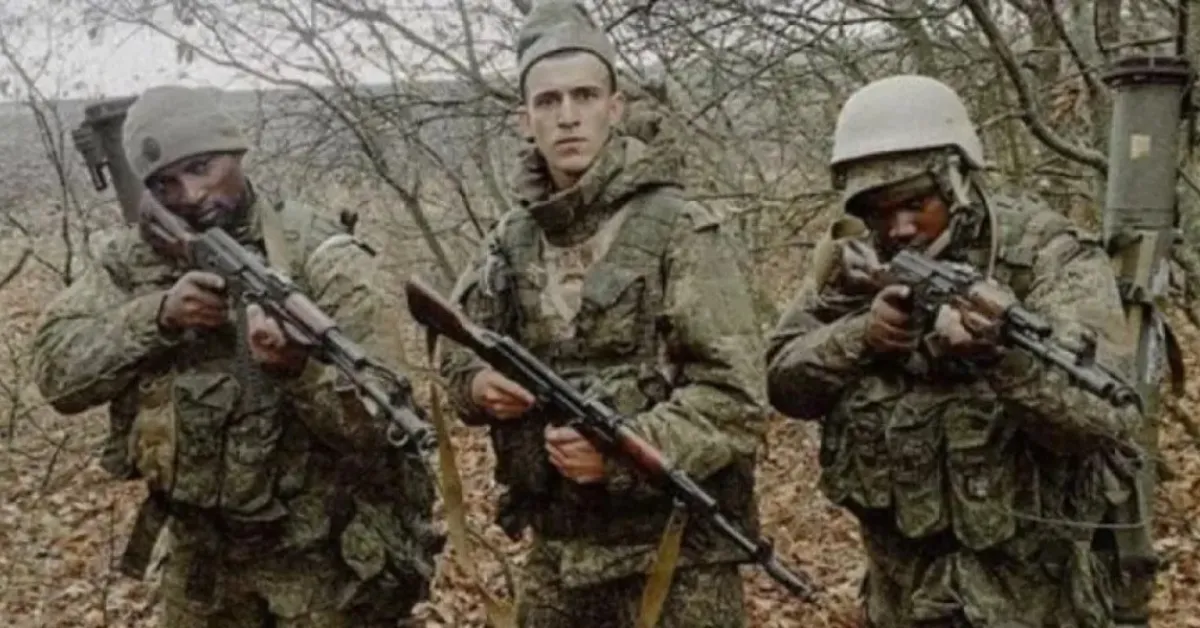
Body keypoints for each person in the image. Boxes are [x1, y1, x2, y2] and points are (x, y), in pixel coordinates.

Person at [30, 84, 443, 627]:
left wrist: (297, 369)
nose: (190, 194)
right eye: (165, 183)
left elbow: (386, 422)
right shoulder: (137, 259)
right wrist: (158, 317)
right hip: (200, 565)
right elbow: (56, 372)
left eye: (201, 167)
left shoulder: (320, 253)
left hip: (322, 566)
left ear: (236, 151)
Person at [765, 74, 1143, 627]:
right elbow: (781, 379)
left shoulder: (1047, 254)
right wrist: (861, 336)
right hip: (902, 597)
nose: (900, 228)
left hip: (1040, 601)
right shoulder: (856, 261)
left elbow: (1105, 417)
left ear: (956, 183)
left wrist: (1002, 358)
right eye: (879, 210)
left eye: (916, 204)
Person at [437, 1, 768, 626]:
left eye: (584, 96)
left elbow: (735, 400)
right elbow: (454, 346)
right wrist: (478, 385)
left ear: (614, 109)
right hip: (559, 555)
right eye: (548, 101)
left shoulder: (680, 229)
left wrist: (622, 453)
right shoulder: (509, 241)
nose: (567, 116)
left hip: (675, 560)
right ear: (524, 120)